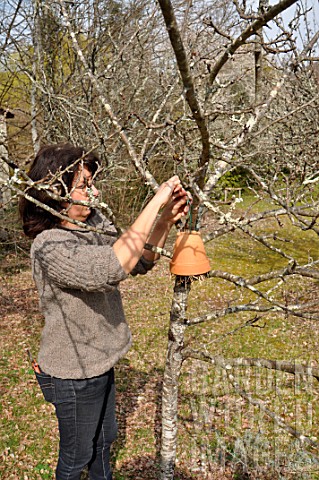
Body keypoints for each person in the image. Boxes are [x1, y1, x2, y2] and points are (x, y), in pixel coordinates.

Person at [19, 143, 189, 480]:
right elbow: (110, 268)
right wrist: (156, 200)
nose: (94, 191)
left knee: (103, 441)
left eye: (92, 182)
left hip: (100, 362)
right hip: (73, 372)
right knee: (76, 455)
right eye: (84, 185)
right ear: (55, 193)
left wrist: (165, 220)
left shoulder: (93, 223)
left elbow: (138, 260)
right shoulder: (50, 245)